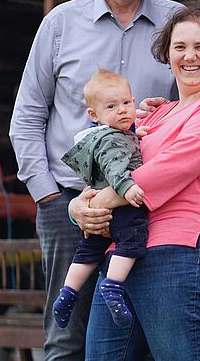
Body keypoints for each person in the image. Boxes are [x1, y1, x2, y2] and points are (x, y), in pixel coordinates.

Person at [9, 0, 183, 360]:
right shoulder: (60, 24)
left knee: (135, 335)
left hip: (146, 204)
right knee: (66, 337)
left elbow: (196, 110)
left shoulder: (177, 25)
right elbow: (27, 116)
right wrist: (50, 200)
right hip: (71, 205)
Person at [69, 1, 200, 360]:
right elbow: (110, 167)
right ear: (167, 54)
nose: (189, 56)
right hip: (125, 254)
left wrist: (96, 205)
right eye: (179, 47)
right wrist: (77, 206)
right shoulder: (156, 114)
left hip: (182, 252)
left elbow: (167, 172)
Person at [54, 69, 148, 329]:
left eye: (127, 103)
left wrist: (135, 134)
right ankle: (114, 286)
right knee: (133, 238)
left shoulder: (101, 136)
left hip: (98, 213)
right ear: (94, 115)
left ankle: (68, 292)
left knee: (88, 251)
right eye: (112, 106)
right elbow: (115, 167)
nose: (123, 110)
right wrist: (128, 188)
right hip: (122, 206)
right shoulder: (113, 142)